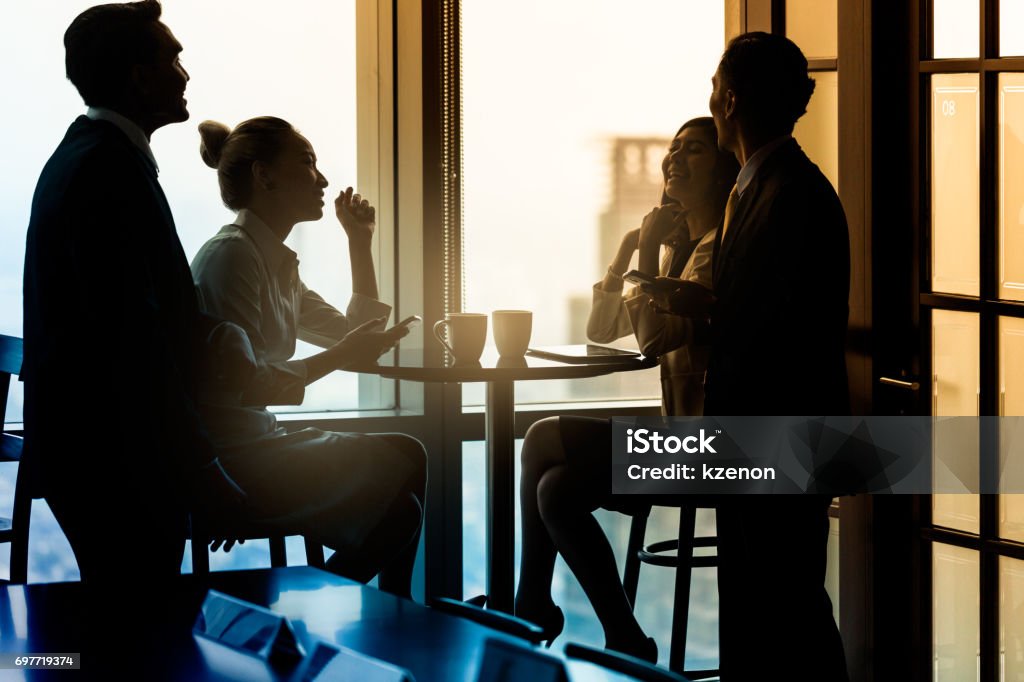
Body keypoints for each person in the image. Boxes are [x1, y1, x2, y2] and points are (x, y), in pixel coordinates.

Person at [22, 0, 247, 587]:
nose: (185, 73)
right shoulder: (108, 172)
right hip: (119, 460)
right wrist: (200, 463)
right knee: (137, 631)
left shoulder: (88, 157)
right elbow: (134, 343)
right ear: (137, 75)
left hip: (96, 454)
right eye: (171, 58)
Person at [656, 32, 851, 681]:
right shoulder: (771, 186)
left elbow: (773, 322)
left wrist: (703, 307)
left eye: (715, 85)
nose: (709, 98)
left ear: (730, 97)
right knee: (769, 600)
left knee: (785, 603)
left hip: (776, 434)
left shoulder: (784, 192)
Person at [513, 118, 738, 661]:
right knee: (555, 491)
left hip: (712, 449)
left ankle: (531, 604)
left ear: (723, 171)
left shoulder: (718, 252)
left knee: (542, 437)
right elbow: (600, 329)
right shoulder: (679, 250)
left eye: (694, 151)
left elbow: (657, 337)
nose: (674, 160)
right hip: (683, 437)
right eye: (673, 149)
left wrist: (644, 255)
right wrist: (628, 250)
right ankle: (624, 636)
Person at [190, 117, 426, 597]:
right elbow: (249, 385)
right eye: (307, 163)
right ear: (264, 175)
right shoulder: (233, 258)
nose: (321, 179)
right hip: (228, 458)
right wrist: (341, 353)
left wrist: (360, 244)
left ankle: (359, 606)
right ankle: (343, 606)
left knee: (409, 463)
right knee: (403, 499)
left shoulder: (272, 260)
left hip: (256, 440)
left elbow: (358, 340)